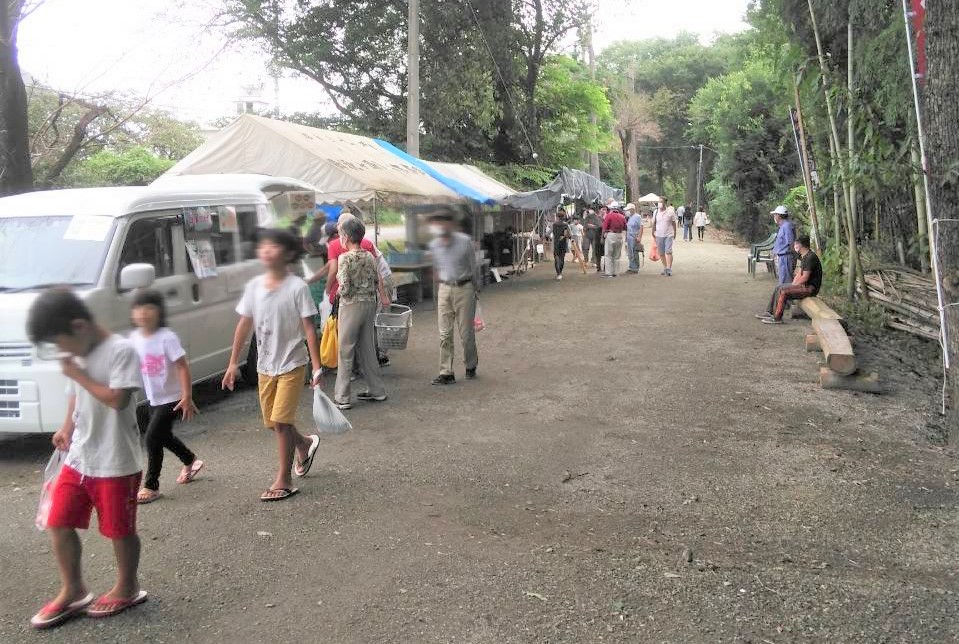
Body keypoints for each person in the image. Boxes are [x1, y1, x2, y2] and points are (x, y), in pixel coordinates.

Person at [26, 289, 147, 628]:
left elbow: (118, 399)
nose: (62, 353)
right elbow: (74, 397)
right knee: (58, 521)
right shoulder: (77, 353)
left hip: (116, 459)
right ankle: (74, 590)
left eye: (61, 343)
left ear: (80, 326)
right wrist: (66, 427)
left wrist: (79, 375)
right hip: (79, 457)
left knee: (119, 530)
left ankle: (128, 587)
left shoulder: (121, 351)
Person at [223, 229, 323, 502]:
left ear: (289, 253)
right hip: (265, 365)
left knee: (280, 422)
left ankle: (284, 479)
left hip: (293, 363)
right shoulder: (254, 287)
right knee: (273, 424)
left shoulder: (297, 287)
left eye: (274, 246)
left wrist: (316, 367)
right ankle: (303, 444)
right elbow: (244, 323)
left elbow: (309, 328)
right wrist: (233, 363)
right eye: (263, 245)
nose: (266, 249)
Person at [129, 290, 203, 505]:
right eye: (138, 308)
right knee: (162, 437)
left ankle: (151, 486)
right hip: (154, 398)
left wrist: (187, 396)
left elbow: (182, 366)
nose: (143, 313)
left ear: (159, 311)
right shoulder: (134, 338)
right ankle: (190, 460)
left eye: (149, 307)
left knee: (152, 437)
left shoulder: (166, 337)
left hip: (173, 397)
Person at [333, 217, 391, 409]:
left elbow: (345, 288)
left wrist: (337, 292)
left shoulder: (344, 258)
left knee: (345, 349)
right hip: (369, 304)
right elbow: (377, 280)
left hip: (350, 306)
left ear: (347, 237)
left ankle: (342, 396)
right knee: (367, 348)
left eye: (341, 234)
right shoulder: (369, 256)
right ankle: (377, 390)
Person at [428, 208, 479, 385]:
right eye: (437, 222)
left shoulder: (465, 242)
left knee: (466, 333)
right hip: (444, 289)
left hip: (464, 288)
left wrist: (475, 289)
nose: (440, 225)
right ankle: (446, 372)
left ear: (452, 224)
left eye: (444, 222)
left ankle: (471, 365)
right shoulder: (434, 244)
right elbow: (435, 267)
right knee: (444, 334)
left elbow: (474, 266)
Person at [757, 234, 822, 324]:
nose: (794, 246)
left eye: (796, 244)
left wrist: (793, 286)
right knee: (779, 287)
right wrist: (793, 284)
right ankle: (769, 312)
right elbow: (800, 273)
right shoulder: (805, 256)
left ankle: (777, 318)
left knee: (784, 291)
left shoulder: (810, 257)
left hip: (810, 288)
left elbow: (805, 277)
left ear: (801, 245)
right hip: (804, 286)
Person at [771, 205, 797, 285]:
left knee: (786, 282)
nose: (774, 216)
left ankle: (787, 297)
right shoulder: (783, 226)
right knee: (783, 281)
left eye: (775, 214)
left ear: (779, 216)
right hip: (783, 257)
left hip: (786, 257)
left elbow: (791, 243)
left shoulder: (787, 226)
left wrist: (794, 257)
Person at [652, 200, 678, 276]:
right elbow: (654, 222)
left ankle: (669, 269)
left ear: (665, 203)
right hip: (659, 235)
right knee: (661, 253)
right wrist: (653, 231)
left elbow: (673, 223)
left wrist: (675, 232)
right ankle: (665, 267)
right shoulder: (656, 212)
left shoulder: (670, 212)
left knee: (668, 251)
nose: (659, 203)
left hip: (668, 235)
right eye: (659, 202)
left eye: (661, 202)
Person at [601, 202, 627, 277]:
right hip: (619, 235)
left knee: (608, 254)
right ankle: (616, 272)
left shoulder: (609, 216)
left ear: (611, 208)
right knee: (617, 255)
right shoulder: (622, 216)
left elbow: (604, 227)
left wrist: (602, 237)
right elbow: (625, 227)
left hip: (611, 234)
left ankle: (609, 273)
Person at [551, 208, 571, 280]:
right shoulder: (566, 225)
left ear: (557, 217)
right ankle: (560, 273)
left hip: (555, 243)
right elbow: (569, 235)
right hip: (563, 243)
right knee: (562, 258)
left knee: (556, 258)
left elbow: (549, 233)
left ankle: (558, 273)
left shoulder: (554, 225)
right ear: (564, 217)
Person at [625, 203, 644, 274]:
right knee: (630, 252)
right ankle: (631, 266)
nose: (627, 211)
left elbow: (641, 227)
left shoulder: (637, 217)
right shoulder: (629, 217)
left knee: (634, 252)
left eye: (628, 210)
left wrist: (639, 237)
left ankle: (635, 268)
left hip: (634, 237)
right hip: (629, 237)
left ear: (632, 209)